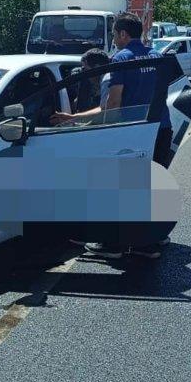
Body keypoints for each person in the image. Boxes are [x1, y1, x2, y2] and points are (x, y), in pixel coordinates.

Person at [50, 13, 171, 259]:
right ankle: (151, 240)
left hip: (130, 133)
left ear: (123, 34)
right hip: (160, 129)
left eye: (115, 34)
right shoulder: (157, 56)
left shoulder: (122, 59)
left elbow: (112, 104)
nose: (113, 39)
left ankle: (113, 245)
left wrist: (77, 120)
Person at [72, 48, 111, 112]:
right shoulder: (86, 85)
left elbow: (105, 109)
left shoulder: (108, 83)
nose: (83, 72)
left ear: (96, 68)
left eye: (86, 69)